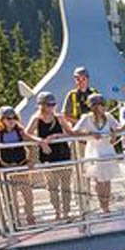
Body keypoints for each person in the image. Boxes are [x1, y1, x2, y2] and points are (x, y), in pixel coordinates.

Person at [0, 106, 47, 226]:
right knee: (11, 197)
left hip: (21, 167)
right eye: (8, 118)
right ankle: (15, 220)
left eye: (14, 118)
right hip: (7, 168)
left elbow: (29, 142)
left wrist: (31, 159)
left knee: (28, 195)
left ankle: (30, 217)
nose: (11, 121)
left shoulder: (19, 130)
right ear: (2, 119)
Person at [74, 93, 125, 214]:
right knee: (99, 180)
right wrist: (90, 134)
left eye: (103, 104)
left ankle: (106, 205)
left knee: (107, 179)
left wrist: (116, 133)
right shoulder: (86, 118)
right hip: (94, 151)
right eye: (100, 105)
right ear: (94, 106)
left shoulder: (108, 116)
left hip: (107, 149)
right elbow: (75, 132)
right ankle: (102, 204)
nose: (103, 107)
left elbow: (116, 128)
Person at [27, 91, 73, 220]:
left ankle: (66, 212)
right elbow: (27, 134)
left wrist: (57, 136)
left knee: (66, 185)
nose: (52, 107)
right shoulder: (36, 119)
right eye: (49, 104)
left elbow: (71, 133)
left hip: (63, 154)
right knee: (52, 186)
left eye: (53, 104)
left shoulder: (59, 117)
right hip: (48, 156)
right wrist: (40, 141)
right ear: (42, 105)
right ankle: (57, 211)